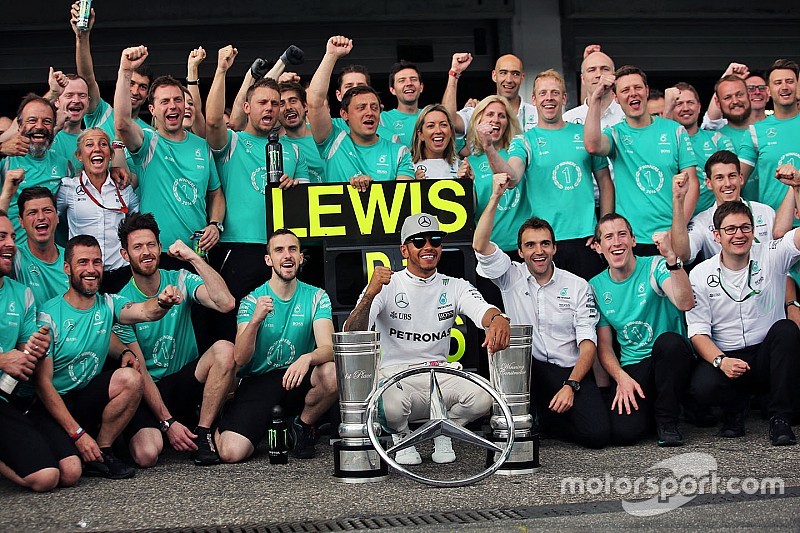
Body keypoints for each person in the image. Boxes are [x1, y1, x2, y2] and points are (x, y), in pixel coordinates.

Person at [345, 213, 510, 464]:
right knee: (388, 406)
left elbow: (482, 311)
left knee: (484, 397)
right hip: (396, 376)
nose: (428, 246)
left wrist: (498, 318)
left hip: (439, 375)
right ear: (404, 249)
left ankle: (441, 429)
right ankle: (401, 436)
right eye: (419, 241)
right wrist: (369, 294)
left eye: (435, 240)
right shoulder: (388, 284)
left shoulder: (454, 285)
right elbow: (352, 334)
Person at [473, 173, 609, 448]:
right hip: (525, 372)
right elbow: (480, 245)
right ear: (520, 252)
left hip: (567, 370)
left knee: (598, 435)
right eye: (530, 245)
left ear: (554, 248)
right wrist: (496, 197)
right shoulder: (509, 275)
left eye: (545, 244)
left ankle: (549, 419)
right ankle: (538, 416)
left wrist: (571, 385)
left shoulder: (578, 285)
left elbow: (587, 343)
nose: (539, 251)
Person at [32, 235, 183, 479]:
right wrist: (78, 435)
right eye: (83, 263)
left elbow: (145, 311)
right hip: (52, 406)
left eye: (97, 262)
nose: (91, 270)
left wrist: (163, 303)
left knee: (131, 378)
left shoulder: (108, 304)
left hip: (84, 397)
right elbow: (42, 385)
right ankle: (79, 446)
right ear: (67, 268)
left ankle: (102, 452)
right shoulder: (48, 316)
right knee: (70, 474)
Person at [113, 212, 236, 466]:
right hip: (149, 389)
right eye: (137, 247)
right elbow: (141, 370)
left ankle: (203, 434)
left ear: (160, 247)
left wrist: (194, 258)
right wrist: (167, 423)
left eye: (150, 245)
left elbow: (226, 303)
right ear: (125, 255)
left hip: (184, 381)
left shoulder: (180, 278)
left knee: (224, 349)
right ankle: (167, 428)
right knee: (146, 455)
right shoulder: (121, 303)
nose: (146, 252)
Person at [205, 45, 308, 343]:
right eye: (262, 102)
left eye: (275, 104)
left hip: (281, 248)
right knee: (231, 322)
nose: (269, 109)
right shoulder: (232, 142)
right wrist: (222, 70)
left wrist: (295, 189)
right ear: (247, 107)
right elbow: (212, 121)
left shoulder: (293, 149)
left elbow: (304, 201)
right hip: (238, 247)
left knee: (279, 322)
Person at [590, 174, 695, 446]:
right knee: (626, 433)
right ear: (599, 247)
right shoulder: (596, 286)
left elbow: (684, 303)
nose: (617, 242)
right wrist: (621, 378)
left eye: (622, 235)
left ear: (633, 240)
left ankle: (667, 421)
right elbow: (604, 347)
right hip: (634, 365)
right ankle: (656, 410)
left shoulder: (656, 266)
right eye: (609, 237)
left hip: (670, 357)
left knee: (670, 343)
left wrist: (673, 260)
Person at [215, 229, 337, 463]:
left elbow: (329, 348)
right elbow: (240, 358)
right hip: (260, 382)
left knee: (331, 372)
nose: (287, 256)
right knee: (231, 453)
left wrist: (307, 358)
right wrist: (255, 320)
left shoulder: (316, 296)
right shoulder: (252, 300)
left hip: (298, 377)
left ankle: (302, 426)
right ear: (268, 260)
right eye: (279, 250)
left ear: (301, 257)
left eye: (293, 249)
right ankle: (221, 425)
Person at [686, 196, 800, 446]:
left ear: (753, 230)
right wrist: (721, 361)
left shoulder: (770, 254)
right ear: (716, 235)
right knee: (702, 386)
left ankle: (780, 418)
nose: (739, 234)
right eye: (730, 229)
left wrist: (796, 188)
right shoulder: (700, 273)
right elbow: (697, 332)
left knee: (787, 330)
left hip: (765, 355)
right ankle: (734, 411)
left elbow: (797, 239)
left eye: (745, 227)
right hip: (728, 355)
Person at [487, 69, 613, 281]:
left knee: (591, 307)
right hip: (544, 242)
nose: (549, 98)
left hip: (586, 239)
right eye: (543, 93)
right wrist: (489, 147)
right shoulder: (524, 140)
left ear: (564, 98)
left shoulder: (585, 134)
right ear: (534, 99)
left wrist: (604, 228)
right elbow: (512, 177)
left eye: (555, 93)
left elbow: (605, 183)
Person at [114, 46, 225, 263]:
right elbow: (122, 122)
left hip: (197, 255)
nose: (172, 106)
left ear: (185, 105)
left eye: (177, 100)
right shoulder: (147, 141)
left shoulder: (202, 146)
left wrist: (215, 224)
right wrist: (125, 71)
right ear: (153, 110)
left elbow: (216, 193)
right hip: (157, 255)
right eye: (164, 102)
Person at [584, 65, 699, 255]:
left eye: (637, 87)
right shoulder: (615, 134)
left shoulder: (674, 131)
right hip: (631, 241)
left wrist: (675, 230)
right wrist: (596, 98)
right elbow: (592, 145)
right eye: (625, 90)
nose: (632, 94)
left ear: (646, 90)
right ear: (616, 98)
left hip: (670, 237)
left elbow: (692, 183)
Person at [0, 212, 75, 492]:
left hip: (9, 399)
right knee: (44, 477)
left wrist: (33, 349)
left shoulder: (22, 294)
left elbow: (24, 351)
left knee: (68, 470)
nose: (10, 244)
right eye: (0, 237)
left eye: (10, 237)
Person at [308, 36, 414, 189]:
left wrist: (373, 189)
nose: (369, 112)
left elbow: (405, 197)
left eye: (374, 107)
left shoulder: (399, 152)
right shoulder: (333, 141)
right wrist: (331, 56)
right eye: (361, 107)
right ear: (345, 114)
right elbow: (315, 102)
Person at [56, 128, 139, 293]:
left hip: (122, 273)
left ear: (110, 155)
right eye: (89, 144)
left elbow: (138, 224)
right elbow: (50, 219)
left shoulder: (123, 188)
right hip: (85, 274)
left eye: (103, 144)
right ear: (79, 155)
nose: (97, 149)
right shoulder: (68, 189)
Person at [72, 1, 153, 139]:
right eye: (131, 83)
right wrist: (82, 37)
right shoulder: (102, 112)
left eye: (142, 87)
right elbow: (87, 78)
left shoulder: (151, 133)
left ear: (148, 95)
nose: (135, 91)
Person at [678, 150, 775, 264]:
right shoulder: (701, 222)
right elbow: (684, 256)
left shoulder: (766, 212)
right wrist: (677, 200)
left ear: (741, 178)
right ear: (709, 183)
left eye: (732, 176)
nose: (727, 183)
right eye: (719, 178)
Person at [459, 96, 525, 255]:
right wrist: (466, 186)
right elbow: (471, 212)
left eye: (501, 116)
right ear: (478, 120)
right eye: (490, 114)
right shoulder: (471, 161)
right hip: (488, 247)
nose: (495, 119)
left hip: (522, 246)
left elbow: (512, 179)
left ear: (508, 122)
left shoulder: (519, 149)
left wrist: (488, 146)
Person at [0, 95, 71, 245]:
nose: (39, 126)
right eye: (32, 120)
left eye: (46, 121)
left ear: (53, 127)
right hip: (10, 254)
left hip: (48, 259)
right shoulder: (5, 159)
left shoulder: (64, 165)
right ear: (18, 126)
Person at [664, 83, 736, 215]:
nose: (685, 108)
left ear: (699, 107)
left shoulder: (718, 140)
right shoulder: (664, 142)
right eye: (679, 104)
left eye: (690, 102)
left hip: (713, 218)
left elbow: (732, 178)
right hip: (673, 217)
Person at [739, 59, 800, 211]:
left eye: (790, 81)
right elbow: (737, 180)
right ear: (768, 91)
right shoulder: (755, 132)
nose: (784, 87)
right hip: (773, 224)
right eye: (778, 82)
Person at [444, 53, 538, 136]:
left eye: (515, 74)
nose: (509, 80)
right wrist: (454, 73)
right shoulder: (478, 111)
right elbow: (449, 121)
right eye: (503, 73)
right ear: (494, 75)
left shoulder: (536, 113)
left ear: (522, 78)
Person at [2, 186, 68, 304]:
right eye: (32, 212)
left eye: (47, 210)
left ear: (57, 217)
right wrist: (7, 193)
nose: (41, 217)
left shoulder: (71, 259)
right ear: (21, 221)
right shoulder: (14, 256)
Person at [563, 49, 624, 128]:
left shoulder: (627, 115)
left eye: (605, 69)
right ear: (583, 79)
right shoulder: (569, 119)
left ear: (614, 76)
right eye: (591, 70)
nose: (598, 74)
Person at [279, 81, 326, 183]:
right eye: (281, 103)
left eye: (293, 101)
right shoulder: (276, 147)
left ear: (305, 106)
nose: (288, 107)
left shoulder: (326, 134)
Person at [378, 60, 424, 147]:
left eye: (413, 79)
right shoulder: (381, 119)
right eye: (402, 80)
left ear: (421, 87)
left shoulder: (431, 116)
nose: (409, 83)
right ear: (393, 90)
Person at [50, 74, 91, 169]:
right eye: (69, 95)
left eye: (82, 95)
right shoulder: (40, 136)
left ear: (88, 102)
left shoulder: (95, 141)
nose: (76, 100)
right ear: (56, 101)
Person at [411, 104, 459, 180]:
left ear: (451, 132)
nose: (438, 131)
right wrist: (413, 185)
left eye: (443, 125)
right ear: (421, 135)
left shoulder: (460, 166)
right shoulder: (408, 167)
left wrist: (466, 181)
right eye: (431, 126)